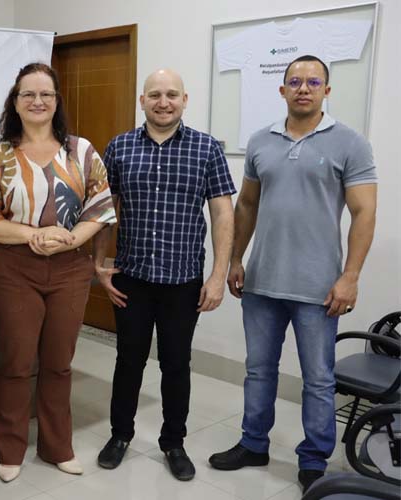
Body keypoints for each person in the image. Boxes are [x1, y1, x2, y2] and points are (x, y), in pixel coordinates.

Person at [208, 55, 378, 493]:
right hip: (262, 282)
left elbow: (364, 212)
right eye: (295, 82)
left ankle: (314, 460)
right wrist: (236, 260)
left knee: (319, 379)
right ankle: (253, 443)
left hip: (319, 288)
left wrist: (351, 276)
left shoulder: (350, 143)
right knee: (259, 370)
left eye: (313, 81)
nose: (304, 88)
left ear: (326, 90)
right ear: (282, 90)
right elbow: (246, 205)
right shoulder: (261, 141)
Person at [0, 62, 117, 483]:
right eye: (28, 94)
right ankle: (10, 448)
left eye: (45, 94)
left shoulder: (81, 151)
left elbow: (101, 208)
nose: (37, 101)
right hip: (15, 268)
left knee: (59, 363)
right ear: (15, 103)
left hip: (71, 269)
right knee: (16, 362)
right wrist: (31, 235)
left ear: (56, 102)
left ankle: (58, 447)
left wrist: (70, 240)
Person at [93, 69, 236, 481]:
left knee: (176, 364)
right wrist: (100, 264)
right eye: (154, 94)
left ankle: (174, 442)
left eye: (172, 94)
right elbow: (106, 211)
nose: (163, 101)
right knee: (128, 360)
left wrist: (216, 275)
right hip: (132, 279)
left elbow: (222, 212)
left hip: (183, 281)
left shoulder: (206, 149)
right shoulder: (120, 148)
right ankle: (120, 436)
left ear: (185, 100)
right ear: (142, 101)